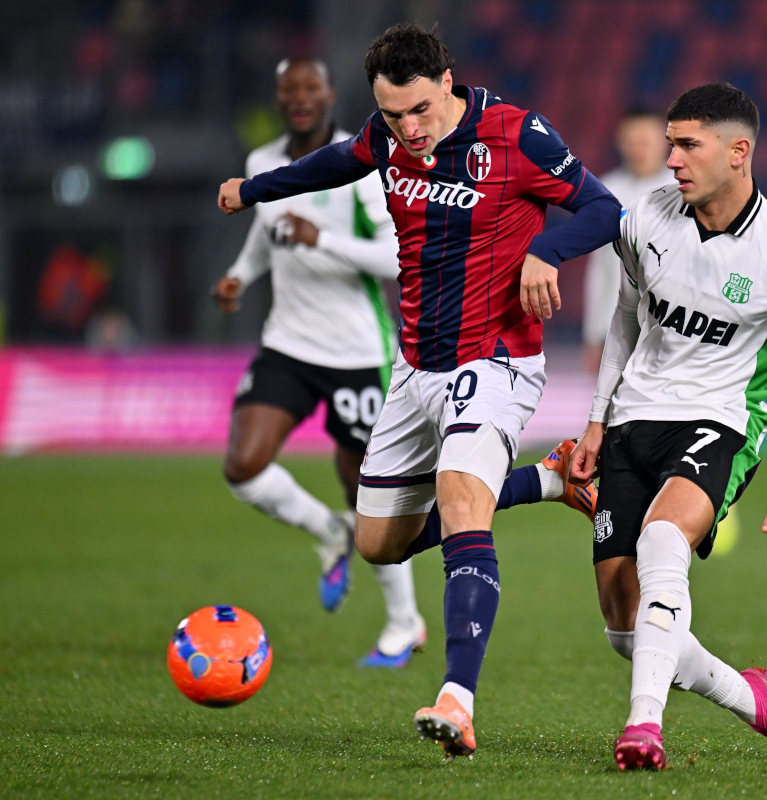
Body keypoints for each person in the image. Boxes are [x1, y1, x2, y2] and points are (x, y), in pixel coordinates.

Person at [216, 23, 619, 759]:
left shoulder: (516, 135)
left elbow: (602, 209)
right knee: (380, 544)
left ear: (448, 83)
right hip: (413, 368)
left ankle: (457, 699)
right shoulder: (385, 135)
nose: (407, 129)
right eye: (393, 115)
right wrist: (254, 190)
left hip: (495, 361)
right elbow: (338, 162)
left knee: (463, 501)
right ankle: (552, 480)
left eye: (419, 112)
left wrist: (543, 250)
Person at [569, 83, 767, 770]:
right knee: (625, 630)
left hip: (718, 420)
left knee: (663, 537)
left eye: (687, 144)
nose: (670, 158)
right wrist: (594, 419)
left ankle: (644, 725)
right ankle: (754, 699)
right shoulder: (646, 219)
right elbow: (623, 321)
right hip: (633, 419)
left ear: (738, 152)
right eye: (670, 142)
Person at [214, 56, 426, 668]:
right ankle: (328, 533)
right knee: (243, 466)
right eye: (289, 91)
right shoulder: (262, 164)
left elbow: (397, 257)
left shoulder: (361, 164)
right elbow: (265, 227)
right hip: (288, 341)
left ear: (330, 95)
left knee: (368, 490)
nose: (300, 98)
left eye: (311, 88)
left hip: (358, 351)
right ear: (279, 99)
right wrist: (239, 274)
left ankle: (403, 623)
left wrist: (322, 239)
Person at [582, 106, 673, 374]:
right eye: (633, 141)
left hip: (674, 329)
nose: (639, 149)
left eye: (646, 141)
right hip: (620, 332)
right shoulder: (605, 191)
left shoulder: (685, 191)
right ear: (620, 142)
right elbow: (600, 269)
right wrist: (592, 333)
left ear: (665, 143)